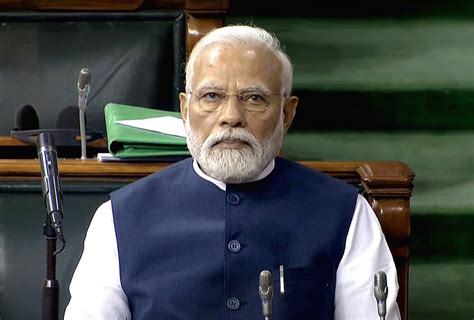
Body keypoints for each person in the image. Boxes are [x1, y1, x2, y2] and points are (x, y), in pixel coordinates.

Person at [65, 25, 400, 319]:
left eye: (254, 98)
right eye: (211, 96)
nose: (231, 116)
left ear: (286, 113)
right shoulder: (120, 218)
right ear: (185, 109)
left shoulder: (344, 213)